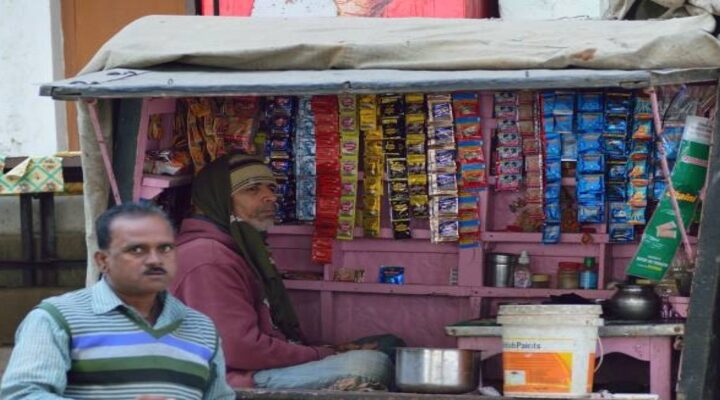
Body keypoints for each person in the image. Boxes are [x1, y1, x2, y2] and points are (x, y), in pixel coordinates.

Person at [171, 153, 401, 390]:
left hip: (253, 364)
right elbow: (237, 349)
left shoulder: (232, 249)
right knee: (370, 366)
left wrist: (331, 351)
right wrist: (321, 354)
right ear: (217, 200)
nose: (270, 197)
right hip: (230, 379)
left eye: (271, 188)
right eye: (252, 190)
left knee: (389, 346)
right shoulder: (208, 259)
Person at [0, 203, 236, 400]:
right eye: (137, 250)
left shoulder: (201, 328)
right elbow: (22, 394)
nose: (155, 260)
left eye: (165, 248)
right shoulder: (57, 318)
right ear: (103, 261)